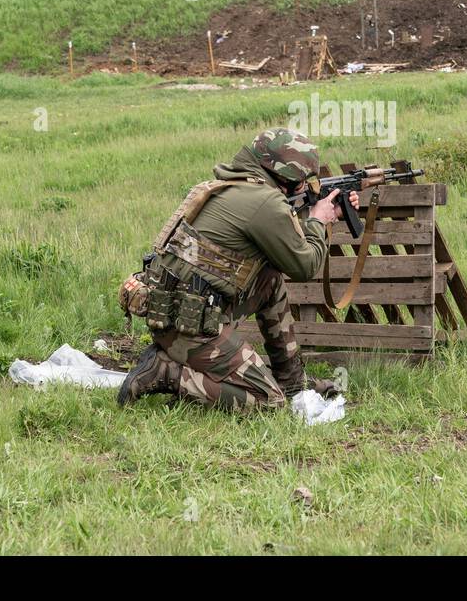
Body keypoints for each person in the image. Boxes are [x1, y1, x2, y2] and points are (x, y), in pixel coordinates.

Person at [117, 127, 357, 410]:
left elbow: (279, 238)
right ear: (286, 177)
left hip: (178, 314)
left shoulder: (233, 187)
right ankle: (167, 372)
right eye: (304, 181)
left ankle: (292, 382)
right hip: (191, 328)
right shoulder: (265, 202)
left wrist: (318, 214)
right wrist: (319, 221)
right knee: (268, 402)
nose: (306, 187)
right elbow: (305, 266)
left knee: (269, 280)